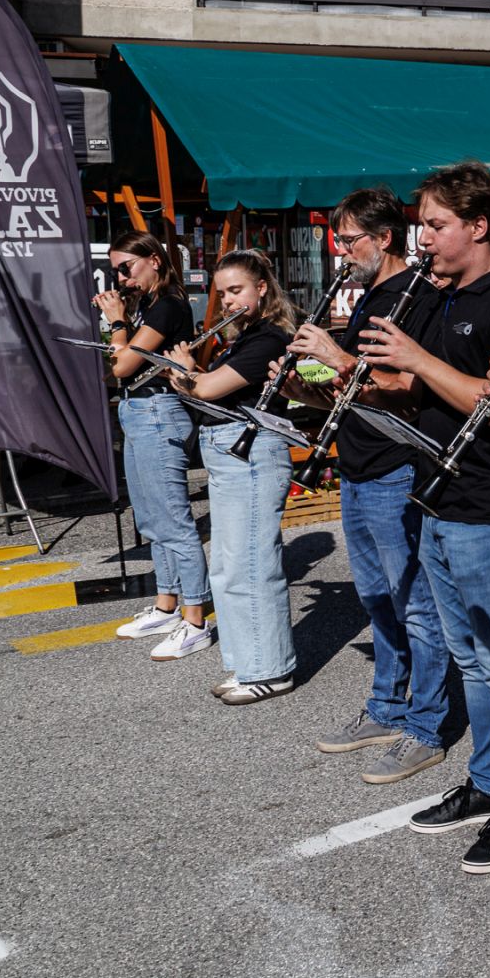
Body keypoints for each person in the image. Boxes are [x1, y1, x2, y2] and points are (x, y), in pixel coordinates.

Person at [357, 163, 490, 873]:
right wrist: (353, 379)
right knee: (470, 657)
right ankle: (489, 782)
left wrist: (415, 361)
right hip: (439, 498)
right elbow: (428, 393)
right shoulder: (440, 298)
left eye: (436, 225)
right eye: (422, 226)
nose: (425, 239)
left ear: (477, 227)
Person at [282, 187, 449, 783]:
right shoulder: (369, 297)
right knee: (378, 601)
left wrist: (337, 356)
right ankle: (386, 705)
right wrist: (303, 380)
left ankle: (425, 724)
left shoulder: (414, 296)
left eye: (350, 239)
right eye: (338, 238)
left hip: (394, 466)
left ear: (384, 239)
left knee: (417, 605)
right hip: (356, 464)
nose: (342, 250)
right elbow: (350, 390)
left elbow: (406, 384)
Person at [169, 251, 298, 703]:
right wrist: (187, 375)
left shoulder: (271, 337)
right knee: (226, 566)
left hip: (252, 453)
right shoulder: (245, 337)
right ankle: (247, 663)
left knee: (251, 565)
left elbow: (204, 389)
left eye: (236, 290)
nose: (226, 301)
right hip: (227, 452)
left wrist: (184, 371)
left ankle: (270, 668)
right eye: (222, 293)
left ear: (262, 287)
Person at [98, 233, 213, 653]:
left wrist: (116, 322)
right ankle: (167, 605)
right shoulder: (145, 304)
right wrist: (121, 320)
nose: (121, 277)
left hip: (159, 413)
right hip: (137, 412)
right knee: (150, 517)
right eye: (115, 270)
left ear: (154, 261)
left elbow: (123, 363)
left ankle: (195, 617)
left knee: (174, 520)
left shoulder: (168, 305)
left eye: (126, 267)